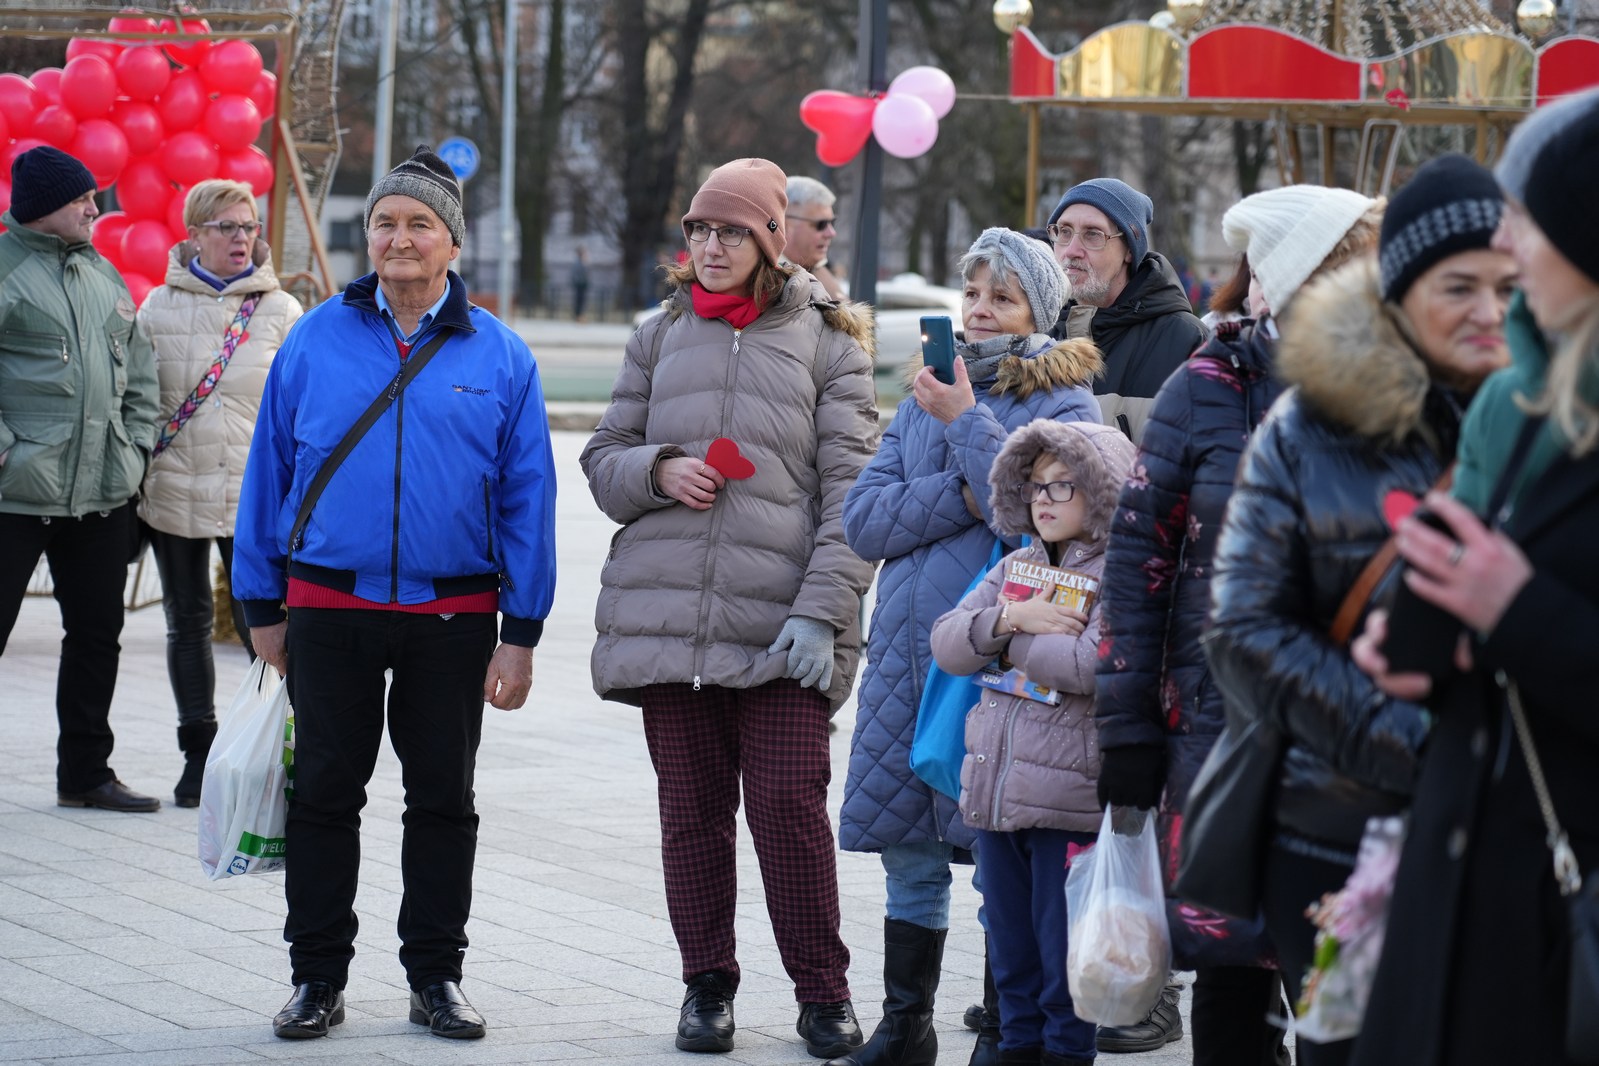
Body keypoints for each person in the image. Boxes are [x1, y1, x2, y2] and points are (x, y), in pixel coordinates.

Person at [233, 145, 557, 1042]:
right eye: (384, 222)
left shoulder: (500, 354)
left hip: (453, 616)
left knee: (443, 799)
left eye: (419, 224)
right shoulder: (313, 339)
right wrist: (260, 605)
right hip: (327, 608)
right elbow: (268, 474)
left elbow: (528, 497)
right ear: (366, 237)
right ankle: (315, 978)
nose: (399, 238)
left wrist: (521, 628)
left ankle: (436, 976)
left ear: (451, 245)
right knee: (325, 798)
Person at [1202, 159, 1518, 1065]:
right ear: (1400, 289)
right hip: (1336, 830)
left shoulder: (1556, 422)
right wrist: (1425, 748)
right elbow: (1243, 633)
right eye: (1458, 286)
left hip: (1514, 832)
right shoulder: (1305, 430)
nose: (1487, 312)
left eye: (1506, 286)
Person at [580, 158, 879, 1059]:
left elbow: (853, 499)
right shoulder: (657, 335)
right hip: (668, 621)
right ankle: (705, 987)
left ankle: (822, 994)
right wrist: (657, 466)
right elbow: (603, 459)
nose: (711, 248)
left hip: (784, 622)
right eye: (699, 232)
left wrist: (822, 614)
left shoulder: (830, 344)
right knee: (691, 813)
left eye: (731, 233)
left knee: (788, 806)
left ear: (770, 240)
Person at [1094, 181, 1395, 1065]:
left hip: (1356, 740)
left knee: (1344, 986)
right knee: (1231, 979)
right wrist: (1126, 732)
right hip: (1219, 734)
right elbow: (1135, 566)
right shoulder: (1206, 387)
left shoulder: (1406, 391)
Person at [1349, 87, 1599, 1066]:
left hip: (1561, 919)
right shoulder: (1540, 413)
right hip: (1475, 896)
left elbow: (1546, 620)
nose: (1508, 239)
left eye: (1526, 215)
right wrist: (1442, 654)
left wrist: (1515, 610)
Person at [836, 227, 1101, 1066]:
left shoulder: (1066, 405)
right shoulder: (923, 393)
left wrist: (965, 427)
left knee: (1002, 865)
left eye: (1002, 297)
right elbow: (864, 521)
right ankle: (905, 1024)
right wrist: (963, 484)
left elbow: (1035, 516)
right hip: (907, 660)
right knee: (908, 849)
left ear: (1040, 312)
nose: (980, 312)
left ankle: (1002, 1026)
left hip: (997, 669)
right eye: (973, 293)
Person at [930, 417, 1136, 1066]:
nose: (1043, 501)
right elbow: (947, 643)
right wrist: (1013, 617)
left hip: (1067, 806)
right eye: (1035, 487)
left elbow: (1087, 668)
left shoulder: (1120, 573)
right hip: (995, 800)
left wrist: (1002, 639)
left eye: (1062, 486)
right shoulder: (1017, 564)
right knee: (1010, 960)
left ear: (1102, 492)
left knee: (1062, 967)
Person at [0, 145, 160, 813]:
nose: (96, 208)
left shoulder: (102, 275)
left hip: (99, 494)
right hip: (15, 497)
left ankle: (86, 775)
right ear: (43, 208)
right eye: (82, 199)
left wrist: (137, 449)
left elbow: (141, 372)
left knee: (97, 636)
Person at [135, 178, 303, 808]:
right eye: (227, 227)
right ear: (195, 235)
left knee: (272, 627)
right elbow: (138, 399)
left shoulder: (282, 311)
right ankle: (198, 755)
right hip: (174, 488)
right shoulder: (156, 307)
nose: (242, 238)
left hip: (254, 498)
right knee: (188, 625)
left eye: (249, 226)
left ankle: (267, 754)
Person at [1045, 177, 1205, 448]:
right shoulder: (1041, 335)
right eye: (1063, 232)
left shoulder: (1186, 341)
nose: (1071, 251)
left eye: (1093, 234)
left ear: (1129, 249)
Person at [783, 175, 846, 300]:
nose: (831, 233)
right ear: (784, 224)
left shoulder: (816, 268)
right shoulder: (766, 283)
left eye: (832, 223)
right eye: (821, 224)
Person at [570, 245, 590, 321]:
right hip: (579, 284)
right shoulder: (578, 262)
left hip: (582, 284)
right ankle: (578, 316)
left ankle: (580, 315)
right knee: (579, 301)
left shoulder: (583, 261)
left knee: (581, 301)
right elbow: (577, 274)